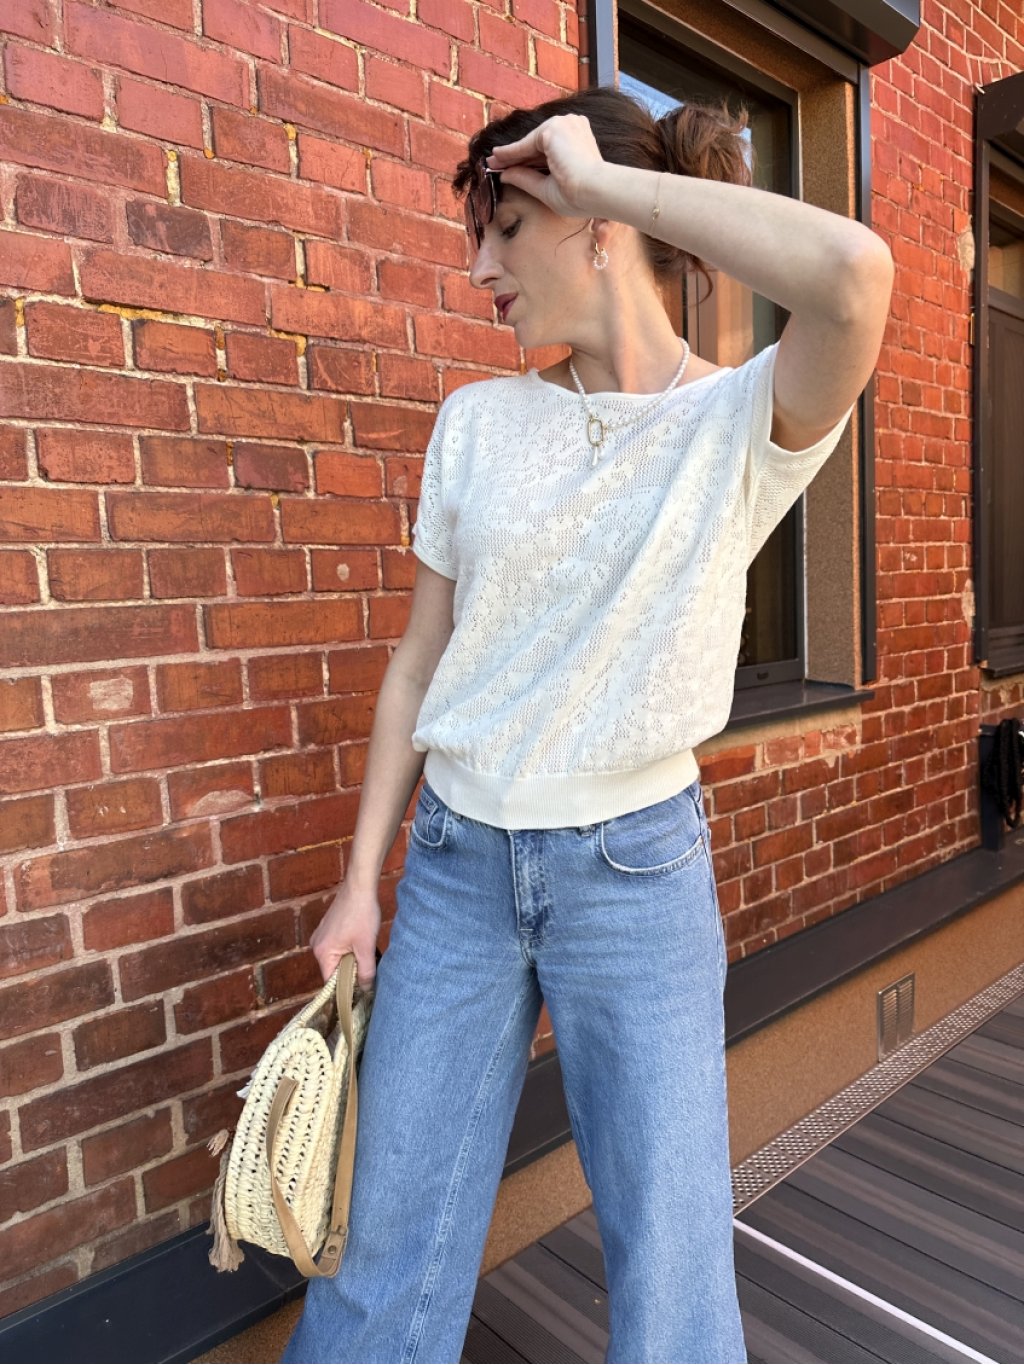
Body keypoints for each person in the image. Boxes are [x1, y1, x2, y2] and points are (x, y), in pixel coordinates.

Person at [279, 85, 894, 1365]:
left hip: (635, 877)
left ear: (595, 223)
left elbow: (852, 275)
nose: (480, 271)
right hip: (452, 871)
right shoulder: (476, 424)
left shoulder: (737, 420)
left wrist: (610, 179)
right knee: (383, 1249)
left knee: (669, 1268)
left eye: (505, 229)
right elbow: (416, 667)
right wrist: (357, 885)